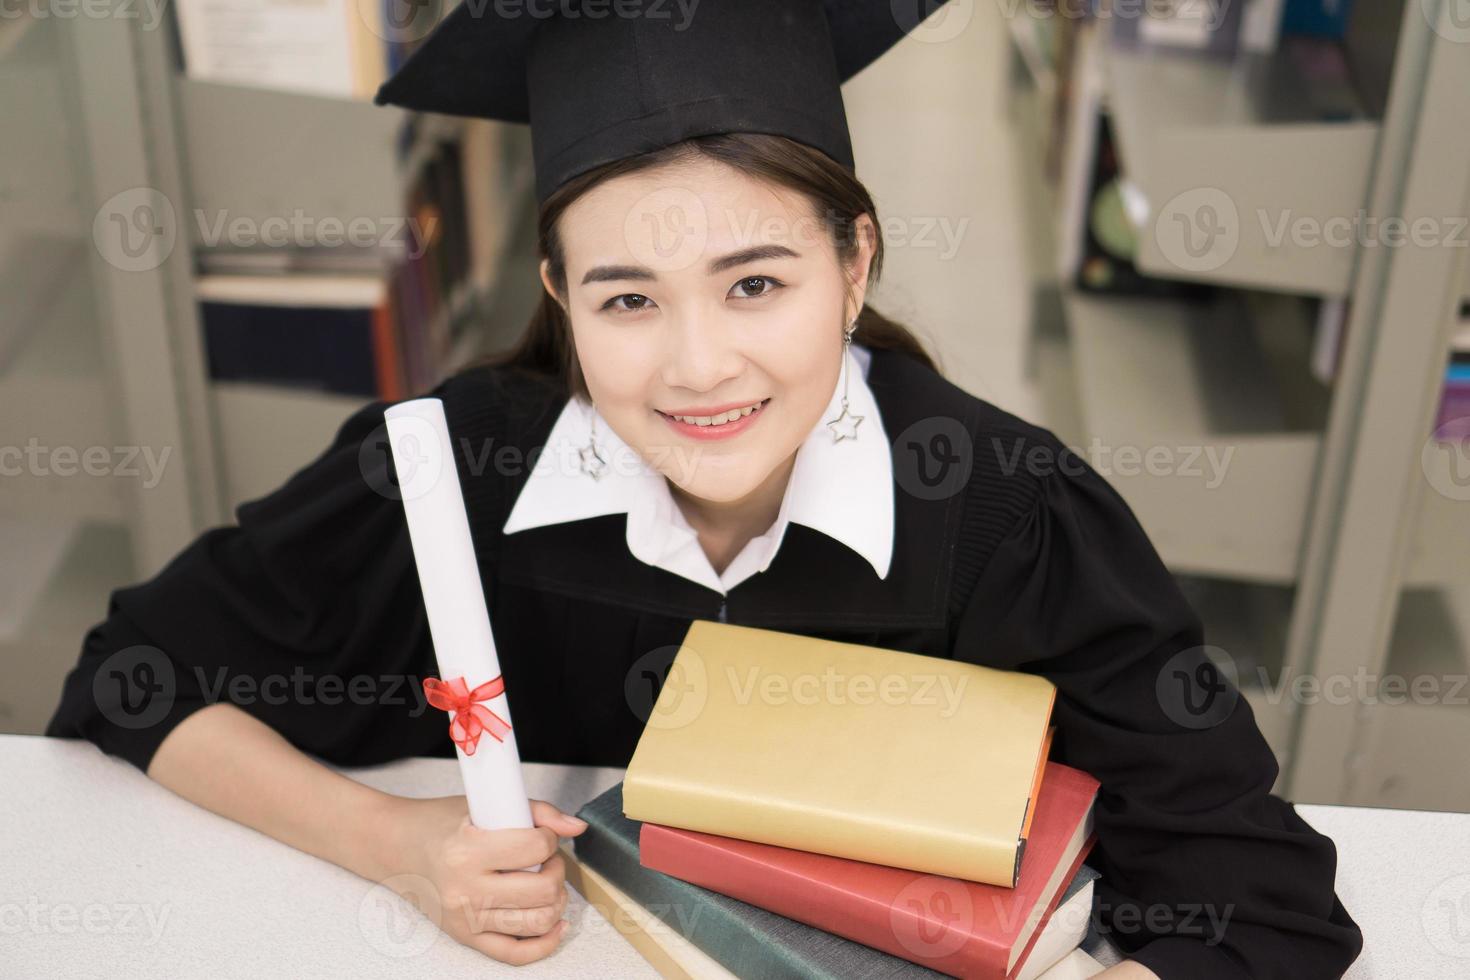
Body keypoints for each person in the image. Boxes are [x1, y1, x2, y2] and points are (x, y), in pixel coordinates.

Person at [46, 1, 1364, 976]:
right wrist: (395, 843)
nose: (695, 367)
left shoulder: (1007, 514)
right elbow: (137, 674)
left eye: (755, 283)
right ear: (557, 295)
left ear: (854, 263)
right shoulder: (444, 477)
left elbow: (1255, 894)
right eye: (627, 297)